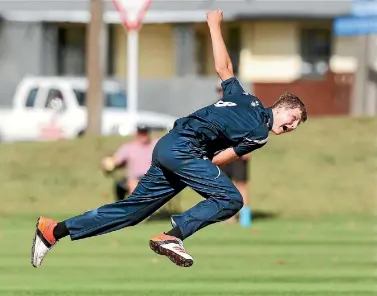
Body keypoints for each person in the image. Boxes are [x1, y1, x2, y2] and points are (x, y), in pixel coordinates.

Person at [31, 9, 307, 268]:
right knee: (231, 199)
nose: (292, 126)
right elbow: (223, 157)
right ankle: (173, 236)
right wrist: (202, 169)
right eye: (293, 118)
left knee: (132, 212)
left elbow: (225, 69)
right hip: (186, 151)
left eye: (296, 125)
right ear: (281, 106)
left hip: (168, 146)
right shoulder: (259, 132)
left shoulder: (244, 98)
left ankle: (54, 230)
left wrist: (213, 25)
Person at [216, 83, 252, 227]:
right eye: (219, 91)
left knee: (241, 184)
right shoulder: (216, 110)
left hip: (239, 152)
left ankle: (245, 216)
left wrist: (248, 149)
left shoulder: (243, 110)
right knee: (224, 185)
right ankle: (228, 216)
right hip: (223, 152)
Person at [101, 125, 157, 200]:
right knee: (130, 183)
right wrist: (108, 164)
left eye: (145, 133)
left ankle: (139, 206)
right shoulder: (128, 148)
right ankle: (127, 207)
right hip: (134, 178)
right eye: (141, 133)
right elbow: (116, 161)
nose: (143, 136)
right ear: (137, 134)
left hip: (151, 177)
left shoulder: (155, 145)